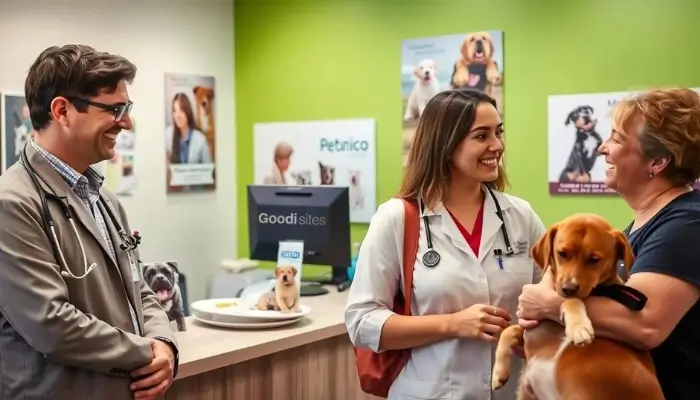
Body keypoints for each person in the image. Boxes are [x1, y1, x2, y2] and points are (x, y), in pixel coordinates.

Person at [0, 44, 179, 399]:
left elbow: (137, 287)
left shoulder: (103, 196)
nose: (126, 122)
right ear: (62, 111)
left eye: (125, 109)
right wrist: (146, 353)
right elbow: (51, 325)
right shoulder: (12, 204)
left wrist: (164, 342)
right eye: (114, 109)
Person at [345, 89, 546, 400]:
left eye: (498, 132)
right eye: (481, 136)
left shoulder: (520, 216)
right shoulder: (397, 218)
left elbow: (548, 299)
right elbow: (361, 322)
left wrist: (534, 334)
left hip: (513, 390)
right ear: (445, 144)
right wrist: (452, 324)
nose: (497, 145)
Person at [517, 87, 700, 400]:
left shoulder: (687, 224)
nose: (602, 148)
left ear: (657, 161)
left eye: (616, 139)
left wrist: (549, 305)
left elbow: (646, 326)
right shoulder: (642, 226)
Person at [165, 92, 212, 164]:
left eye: (181, 110)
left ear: (188, 112)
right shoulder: (167, 134)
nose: (178, 115)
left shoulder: (200, 139)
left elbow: (208, 169)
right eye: (175, 111)